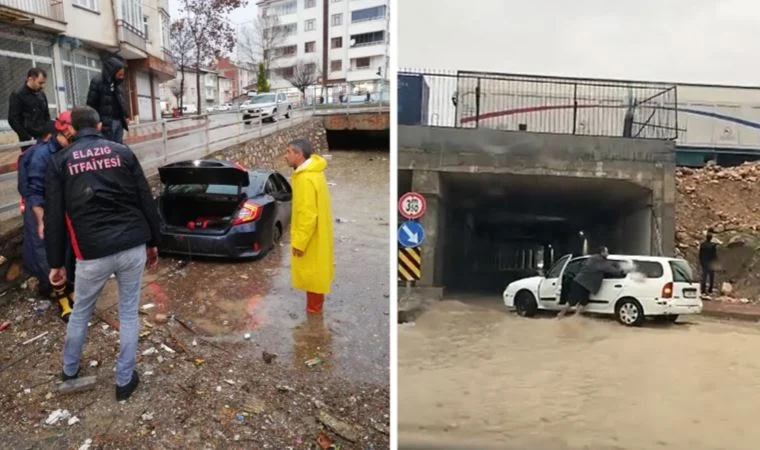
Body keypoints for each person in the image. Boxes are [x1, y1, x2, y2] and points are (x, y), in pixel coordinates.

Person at [44, 106, 160, 401]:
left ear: (73, 128)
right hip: (132, 243)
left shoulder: (60, 161)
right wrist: (154, 241)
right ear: (98, 125)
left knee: (81, 311)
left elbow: (55, 217)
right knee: (128, 311)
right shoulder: (122, 152)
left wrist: (56, 263)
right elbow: (144, 197)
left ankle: (69, 371)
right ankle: (124, 381)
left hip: (92, 251)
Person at [17, 112, 77, 319]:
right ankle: (61, 300)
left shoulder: (63, 151)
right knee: (46, 254)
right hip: (40, 209)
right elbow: (34, 191)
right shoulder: (41, 155)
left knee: (64, 250)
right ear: (62, 132)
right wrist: (42, 220)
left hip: (57, 207)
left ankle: (67, 288)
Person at [284, 138, 334, 314]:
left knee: (312, 276)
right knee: (316, 275)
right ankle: (315, 312)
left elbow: (307, 215)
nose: (286, 156)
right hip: (319, 234)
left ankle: (313, 317)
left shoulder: (305, 179)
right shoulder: (315, 173)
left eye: (289, 152)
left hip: (311, 237)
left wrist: (299, 242)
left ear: (299, 155)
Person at [557, 246, 626, 318]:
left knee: (584, 301)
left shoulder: (595, 258)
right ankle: (561, 314)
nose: (608, 254)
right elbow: (609, 268)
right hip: (581, 282)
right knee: (572, 301)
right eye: (606, 252)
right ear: (602, 252)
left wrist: (615, 264)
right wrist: (621, 272)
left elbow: (608, 264)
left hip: (585, 283)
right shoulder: (598, 260)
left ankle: (576, 316)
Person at [86, 54, 130, 144]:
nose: (122, 77)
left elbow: (120, 102)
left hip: (118, 121)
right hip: (105, 124)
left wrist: (126, 116)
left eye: (123, 74)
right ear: (113, 71)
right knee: (107, 148)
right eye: (120, 74)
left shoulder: (117, 83)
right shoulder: (97, 81)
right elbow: (91, 105)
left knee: (118, 147)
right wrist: (96, 122)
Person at [8, 67, 51, 151]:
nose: (43, 86)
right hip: (28, 140)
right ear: (30, 79)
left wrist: (48, 131)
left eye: (44, 83)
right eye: (40, 83)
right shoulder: (18, 94)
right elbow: (13, 119)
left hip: (43, 136)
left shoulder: (41, 94)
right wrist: (27, 137)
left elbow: (46, 114)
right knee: (31, 161)